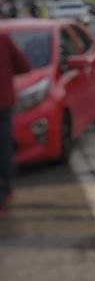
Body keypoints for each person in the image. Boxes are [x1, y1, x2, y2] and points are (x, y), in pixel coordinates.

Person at [1, 30, 32, 217]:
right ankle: (4, 193)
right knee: (4, 148)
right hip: (3, 103)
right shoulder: (3, 40)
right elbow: (23, 65)